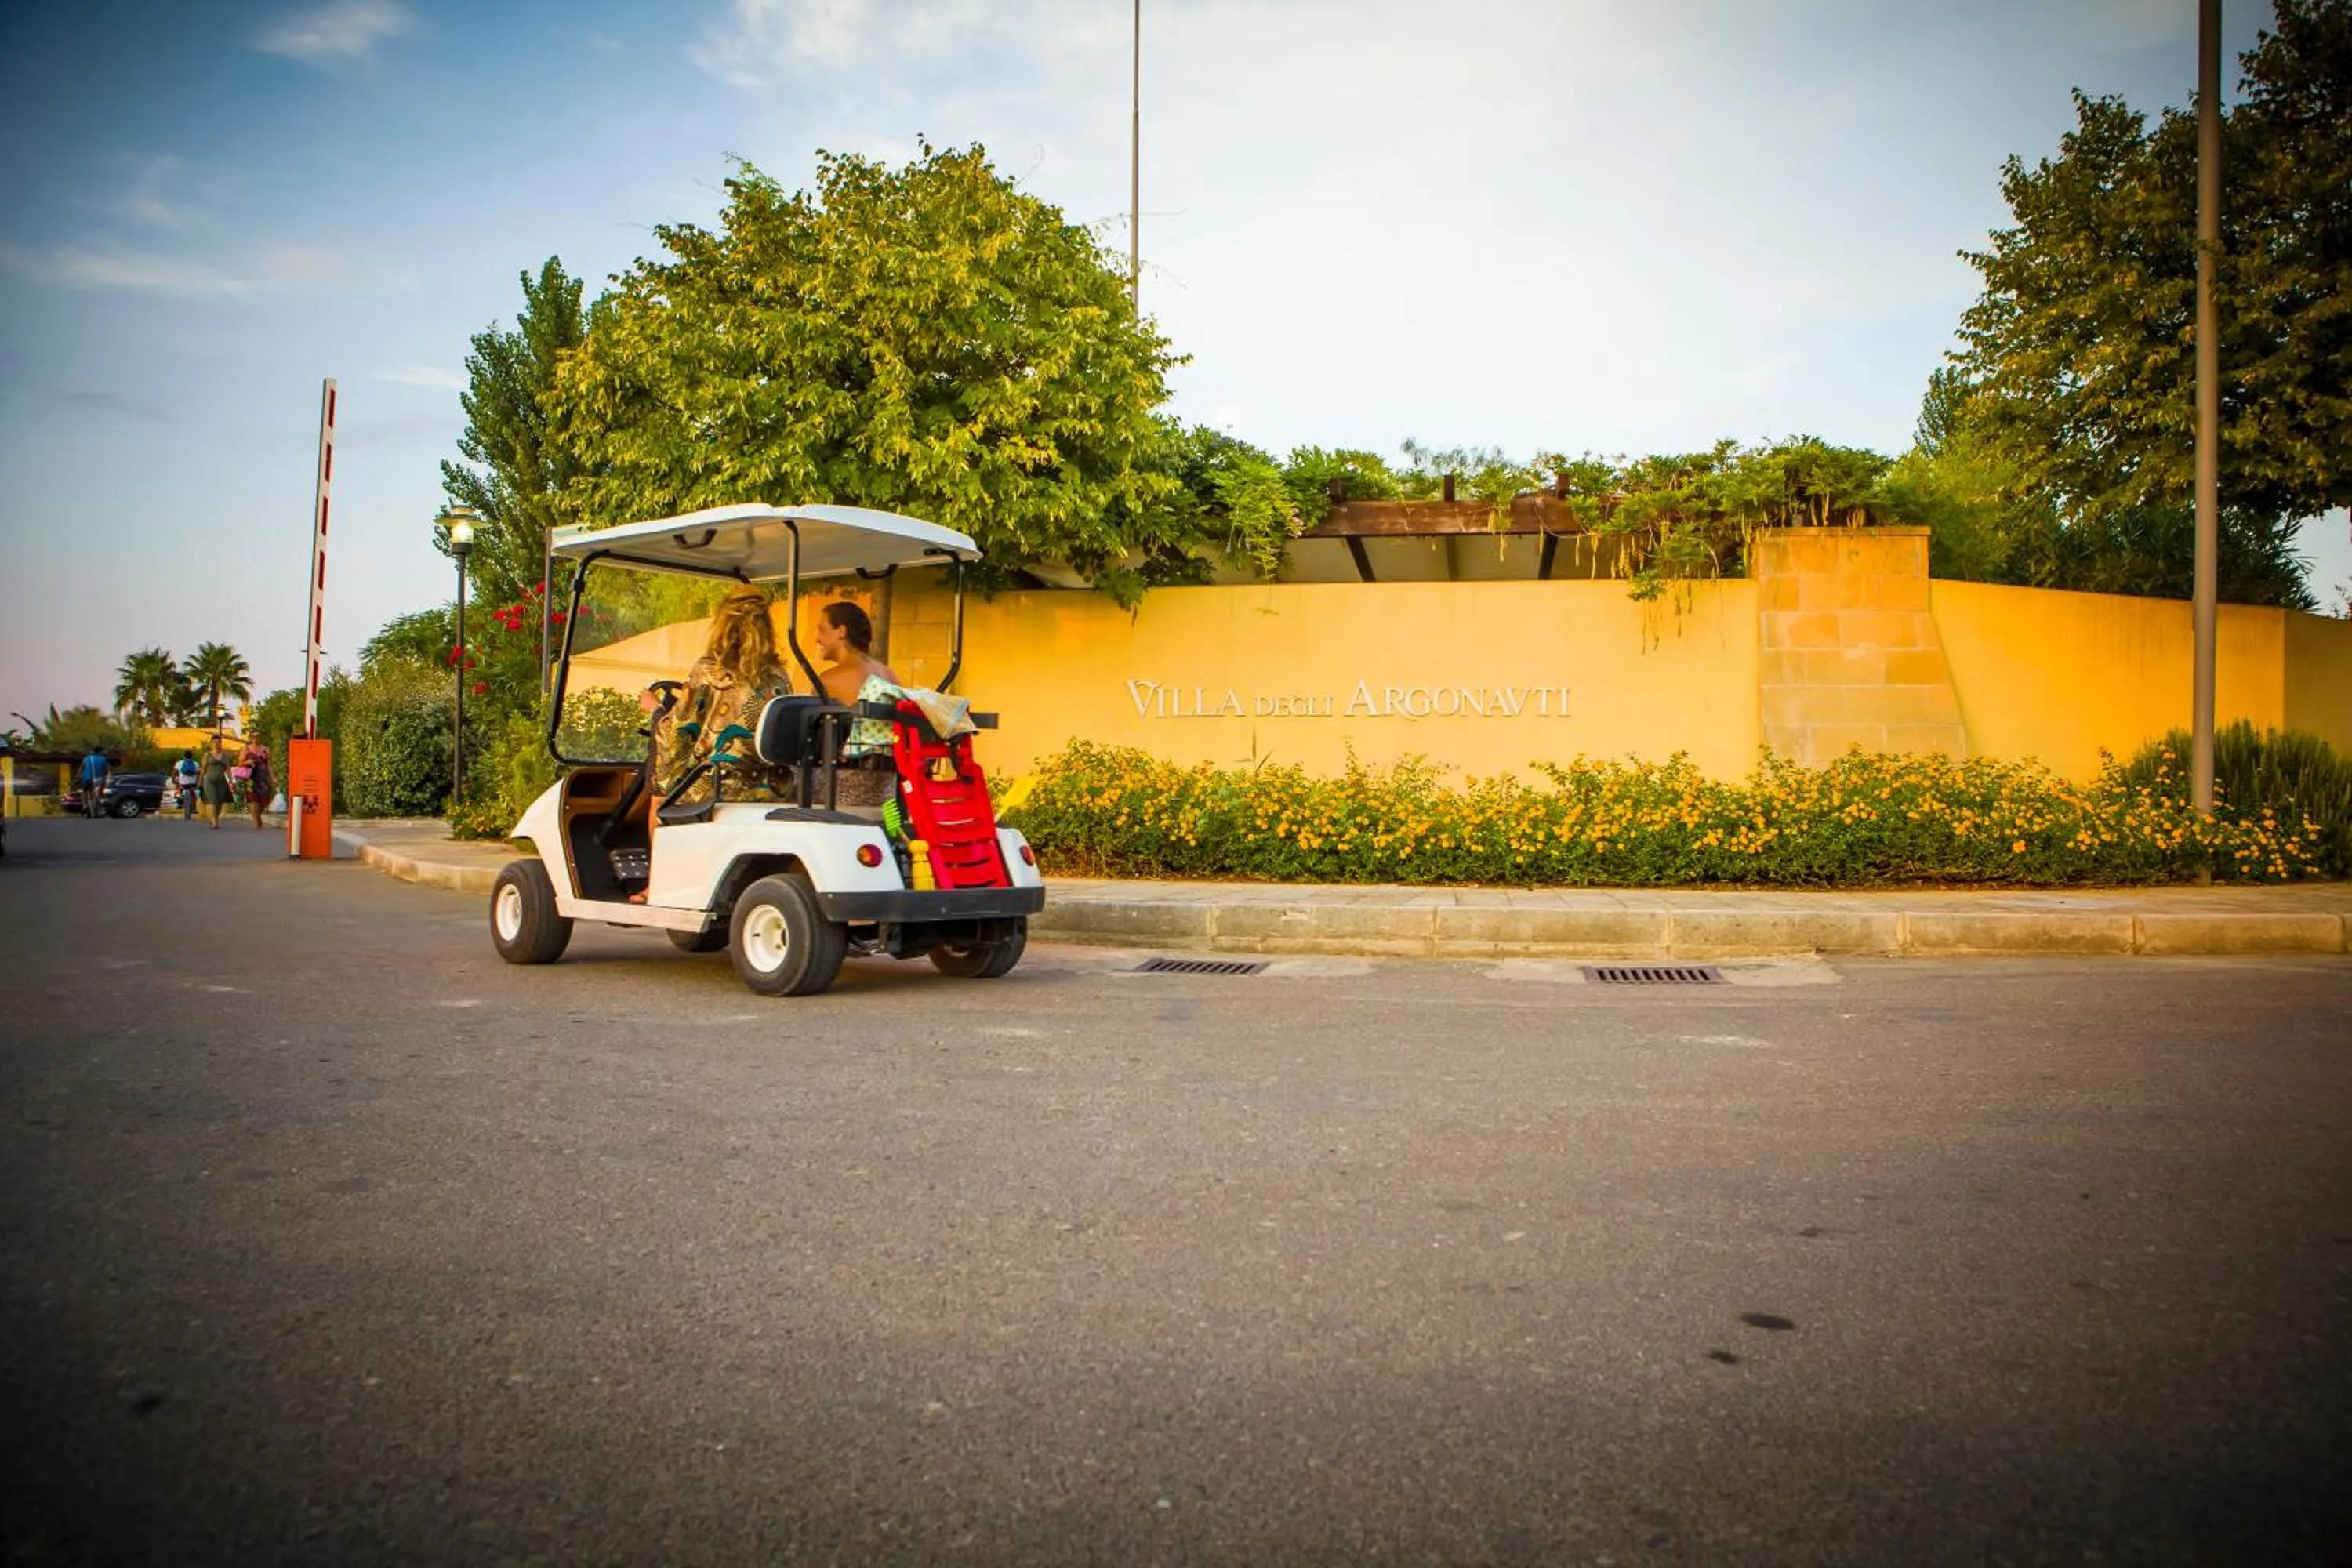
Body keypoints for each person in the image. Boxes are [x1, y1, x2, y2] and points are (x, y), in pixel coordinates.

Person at [648, 583, 796, 808]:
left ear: (724, 625)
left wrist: (656, 712)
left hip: (714, 790)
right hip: (770, 790)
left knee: (657, 797)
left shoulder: (709, 671)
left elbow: (679, 731)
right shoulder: (777, 675)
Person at [814, 601, 902, 808]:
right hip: (889, 786)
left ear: (841, 631)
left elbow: (810, 739)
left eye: (822, 629)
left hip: (847, 786)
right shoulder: (888, 673)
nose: (817, 638)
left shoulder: (830, 679)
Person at [241, 739, 274, 829]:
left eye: (258, 736)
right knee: (252, 799)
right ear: (250, 737)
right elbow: (240, 763)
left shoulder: (266, 750)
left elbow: (269, 765)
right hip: (251, 778)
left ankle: (257, 815)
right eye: (253, 736)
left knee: (264, 800)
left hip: (263, 778)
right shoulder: (246, 749)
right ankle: (255, 821)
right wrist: (246, 762)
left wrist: (273, 777)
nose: (256, 738)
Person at [198, 743, 232, 829]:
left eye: (218, 742)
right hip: (209, 780)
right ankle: (215, 822)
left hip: (221, 780)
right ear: (212, 744)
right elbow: (203, 768)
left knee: (219, 802)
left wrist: (231, 780)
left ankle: (214, 818)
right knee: (212, 800)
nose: (217, 744)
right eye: (214, 742)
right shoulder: (207, 755)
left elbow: (228, 769)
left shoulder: (225, 756)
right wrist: (200, 781)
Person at [77, 745, 109, 819]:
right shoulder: (104, 759)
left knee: (84, 790)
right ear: (100, 752)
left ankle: (85, 806)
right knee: (95, 794)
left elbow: (81, 769)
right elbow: (106, 771)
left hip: (87, 779)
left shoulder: (86, 758)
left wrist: (78, 776)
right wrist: (104, 781)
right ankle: (99, 810)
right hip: (98, 779)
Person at [173, 751, 199, 820]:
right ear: (192, 756)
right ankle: (194, 808)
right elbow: (198, 774)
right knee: (193, 794)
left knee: (180, 791)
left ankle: (181, 803)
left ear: (184, 756)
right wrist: (198, 783)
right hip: (192, 783)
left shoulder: (179, 763)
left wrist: (174, 780)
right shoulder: (196, 763)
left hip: (183, 783)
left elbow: (175, 773)